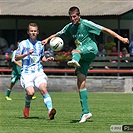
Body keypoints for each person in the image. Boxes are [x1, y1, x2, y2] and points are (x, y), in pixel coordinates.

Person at [42, 6, 129, 123]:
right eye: (71, 17)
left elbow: (105, 30)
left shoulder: (86, 24)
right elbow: (57, 34)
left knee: (75, 51)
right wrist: (47, 39)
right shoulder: (70, 27)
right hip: (83, 56)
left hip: (91, 49)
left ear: (79, 16)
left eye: (75, 17)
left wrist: (121, 38)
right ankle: (86, 112)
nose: (73, 19)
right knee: (80, 82)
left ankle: (75, 60)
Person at [15, 23, 56, 119]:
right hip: (27, 73)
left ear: (37, 32)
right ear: (28, 32)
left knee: (43, 89)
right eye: (31, 31)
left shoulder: (40, 44)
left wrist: (47, 59)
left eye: (35, 31)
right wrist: (26, 54)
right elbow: (16, 57)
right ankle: (27, 106)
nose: (33, 33)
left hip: (38, 72)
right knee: (30, 93)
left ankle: (50, 110)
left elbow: (41, 57)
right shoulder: (23, 44)